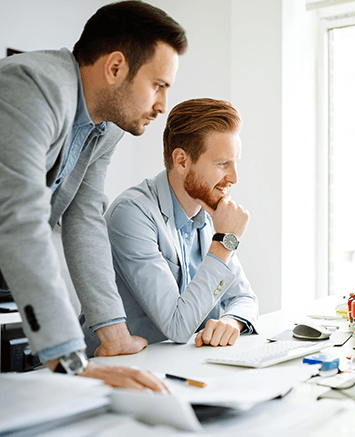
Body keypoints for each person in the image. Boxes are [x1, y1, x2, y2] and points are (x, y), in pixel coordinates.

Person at [0, 0, 187, 391]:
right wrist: (68, 357)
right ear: (115, 67)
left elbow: (84, 217)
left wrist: (112, 332)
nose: (162, 106)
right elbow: (20, 216)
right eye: (158, 85)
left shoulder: (106, 125)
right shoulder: (34, 86)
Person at [83, 98, 258, 355]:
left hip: (177, 364)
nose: (233, 178)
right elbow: (177, 327)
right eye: (222, 164)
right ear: (182, 161)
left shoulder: (210, 212)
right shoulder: (132, 214)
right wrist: (224, 241)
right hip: (118, 369)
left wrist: (231, 322)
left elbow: (244, 299)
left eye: (235, 164)